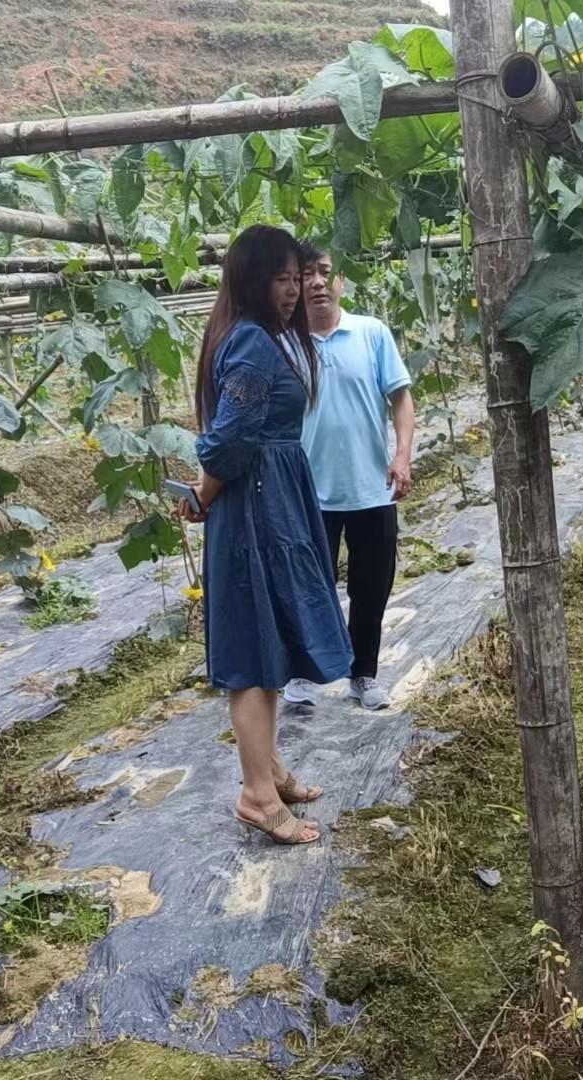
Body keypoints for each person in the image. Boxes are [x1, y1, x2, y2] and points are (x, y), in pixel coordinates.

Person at [181, 224, 353, 846]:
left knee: (270, 637)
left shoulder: (258, 338)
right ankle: (256, 794)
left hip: (268, 501)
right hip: (254, 506)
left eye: (298, 276)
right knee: (254, 649)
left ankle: (270, 768)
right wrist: (202, 494)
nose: (294, 289)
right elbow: (230, 438)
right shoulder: (254, 343)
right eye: (281, 278)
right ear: (251, 281)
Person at [281, 241, 416, 712]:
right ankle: (304, 672)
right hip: (308, 493)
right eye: (306, 276)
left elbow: (400, 398)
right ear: (295, 285)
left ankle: (364, 674)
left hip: (371, 489)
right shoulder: (284, 342)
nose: (316, 283)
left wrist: (402, 456)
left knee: (370, 587)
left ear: (341, 280)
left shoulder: (371, 333)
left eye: (325, 272)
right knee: (307, 586)